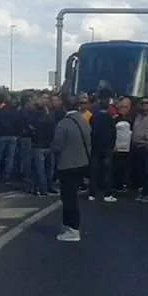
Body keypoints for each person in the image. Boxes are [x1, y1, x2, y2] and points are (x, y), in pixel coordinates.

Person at [52, 96, 91, 242]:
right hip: (82, 163)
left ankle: (72, 228)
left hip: (67, 164)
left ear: (64, 107)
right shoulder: (84, 121)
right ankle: (69, 226)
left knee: (68, 198)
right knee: (73, 196)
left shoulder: (63, 124)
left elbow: (57, 145)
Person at [87, 89, 117, 202]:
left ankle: (92, 194)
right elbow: (113, 133)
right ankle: (107, 194)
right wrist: (112, 145)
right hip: (107, 147)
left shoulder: (93, 114)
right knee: (107, 171)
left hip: (95, 146)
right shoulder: (110, 117)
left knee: (94, 171)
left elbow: (89, 129)